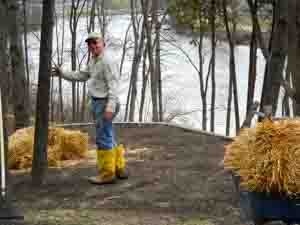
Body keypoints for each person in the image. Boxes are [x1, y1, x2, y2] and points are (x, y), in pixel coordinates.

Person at [52, 32, 128, 185]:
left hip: (105, 103)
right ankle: (118, 168)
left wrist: (110, 107)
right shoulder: (94, 61)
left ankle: (107, 173)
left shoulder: (107, 61)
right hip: (99, 103)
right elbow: (82, 75)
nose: (92, 46)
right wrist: (63, 73)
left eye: (95, 42)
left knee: (102, 137)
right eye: (90, 44)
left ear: (103, 43)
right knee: (108, 134)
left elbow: (114, 86)